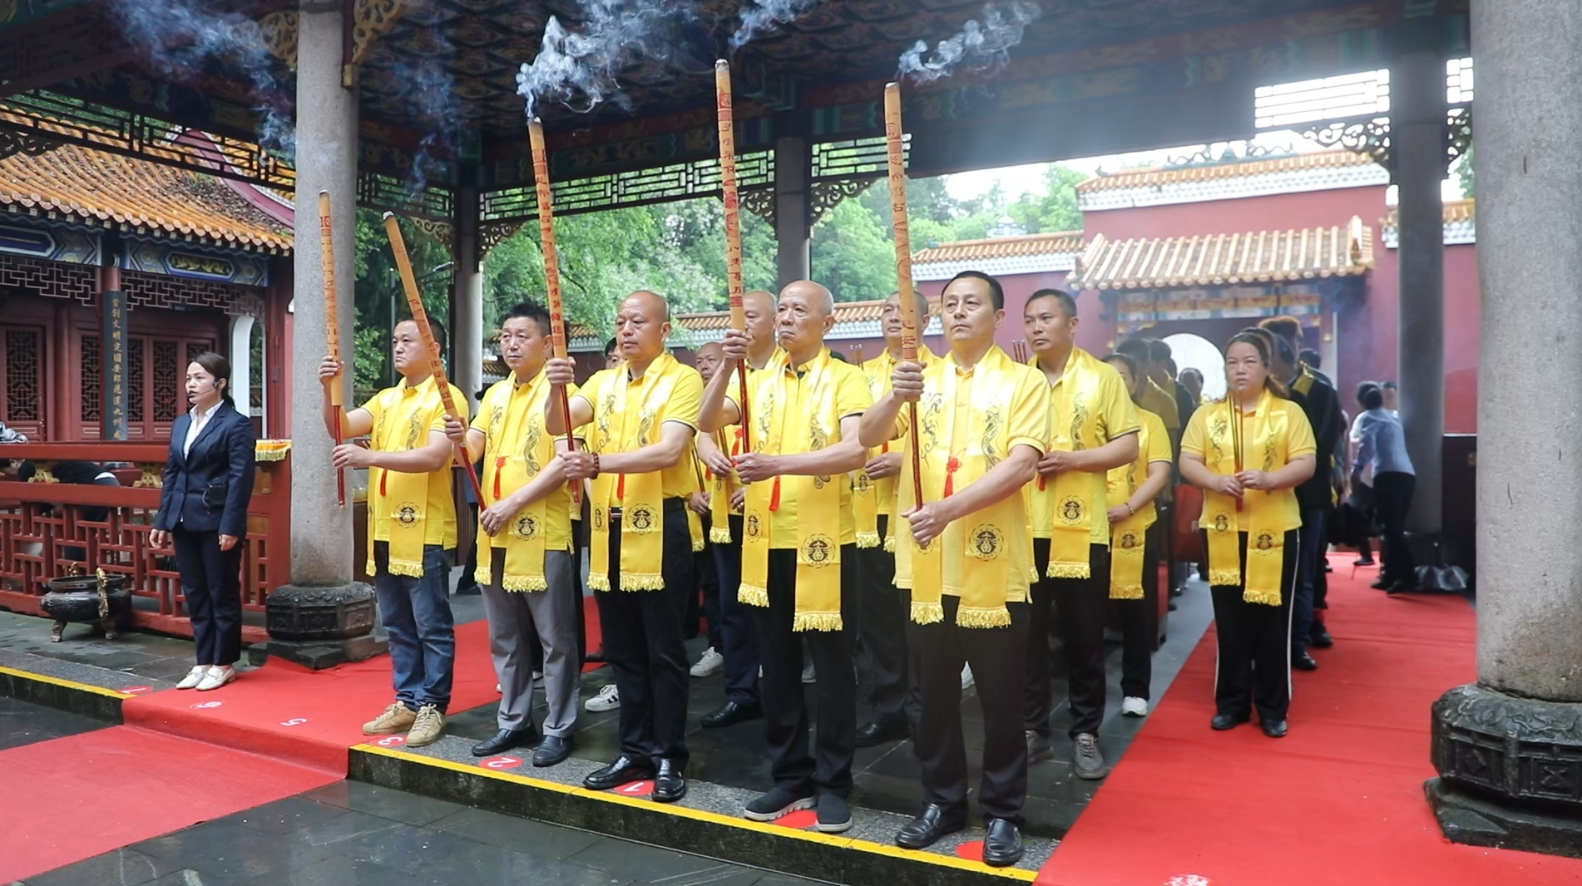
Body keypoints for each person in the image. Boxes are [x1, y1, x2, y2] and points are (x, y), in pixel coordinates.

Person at [860, 269, 1049, 867]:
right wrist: (895, 394)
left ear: (998, 316)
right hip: (926, 565)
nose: (959, 311)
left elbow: (1022, 465)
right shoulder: (918, 377)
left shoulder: (1025, 382)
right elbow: (868, 438)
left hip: (995, 562)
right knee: (932, 695)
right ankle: (940, 800)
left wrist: (947, 508)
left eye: (973, 303)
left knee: (1001, 698)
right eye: (950, 303)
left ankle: (1002, 812)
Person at [700, 280, 870, 832]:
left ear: (828, 321)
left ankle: (834, 782)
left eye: (801, 309)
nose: (790, 317)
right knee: (777, 665)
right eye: (785, 309)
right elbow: (705, 424)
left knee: (833, 667)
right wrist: (726, 366)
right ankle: (790, 774)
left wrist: (777, 466)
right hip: (766, 538)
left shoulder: (847, 378)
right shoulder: (755, 379)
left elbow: (854, 450)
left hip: (826, 541)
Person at [548, 290, 701, 803]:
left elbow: (671, 449)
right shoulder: (602, 381)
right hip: (608, 524)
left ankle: (669, 756)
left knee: (664, 650)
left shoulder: (683, 378)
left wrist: (598, 464)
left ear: (664, 329)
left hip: (663, 523)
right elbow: (557, 424)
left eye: (639, 321)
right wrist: (556, 388)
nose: (628, 329)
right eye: (621, 321)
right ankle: (633, 748)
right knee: (623, 650)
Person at [446, 302, 580, 766]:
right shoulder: (497, 394)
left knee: (554, 638)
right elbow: (474, 448)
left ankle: (560, 727)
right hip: (495, 529)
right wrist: (455, 435)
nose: (511, 344)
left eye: (522, 336)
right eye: (505, 336)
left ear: (546, 343)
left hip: (541, 529)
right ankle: (513, 720)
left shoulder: (563, 394)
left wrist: (512, 503)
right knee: (504, 635)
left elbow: (565, 463)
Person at [320, 317, 463, 748]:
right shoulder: (386, 398)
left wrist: (372, 458)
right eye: (395, 340)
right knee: (398, 623)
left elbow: (436, 456)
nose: (397, 347)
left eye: (407, 340)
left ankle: (433, 704)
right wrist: (329, 388)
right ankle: (408, 698)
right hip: (385, 527)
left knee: (431, 623)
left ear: (433, 347)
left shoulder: (446, 396)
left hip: (426, 529)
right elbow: (341, 427)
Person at [1023, 289, 1140, 780]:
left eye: (1046, 318)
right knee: (1026, 635)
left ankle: (1086, 731)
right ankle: (1031, 728)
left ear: (1072, 324)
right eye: (1029, 320)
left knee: (1084, 635)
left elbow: (1129, 444)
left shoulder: (1102, 377)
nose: (1036, 327)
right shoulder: (1016, 380)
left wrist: (1074, 460)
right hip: (1024, 524)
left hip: (1081, 527)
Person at [1179, 328, 1316, 739]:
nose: (1240, 369)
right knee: (1230, 620)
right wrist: (1215, 482)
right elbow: (1188, 460)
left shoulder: (1288, 413)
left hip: (1275, 529)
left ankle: (1273, 706)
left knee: (1273, 620)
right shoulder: (1207, 415)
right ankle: (1232, 702)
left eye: (1249, 362)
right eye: (1233, 362)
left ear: (1266, 367)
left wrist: (1269, 477)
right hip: (1223, 529)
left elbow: (1306, 463)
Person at [851, 289, 933, 749]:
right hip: (866, 511)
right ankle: (889, 707)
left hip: (915, 514)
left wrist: (903, 457)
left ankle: (923, 707)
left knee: (917, 618)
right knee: (878, 619)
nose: (893, 320)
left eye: (903, 314)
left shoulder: (938, 373)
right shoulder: (859, 376)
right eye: (885, 311)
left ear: (923, 321)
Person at [694, 291, 778, 728]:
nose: (742, 325)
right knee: (732, 604)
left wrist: (760, 485)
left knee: (774, 607)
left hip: (776, 507)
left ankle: (777, 683)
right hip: (729, 507)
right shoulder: (731, 374)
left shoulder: (788, 372)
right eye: (737, 318)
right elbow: (706, 425)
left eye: (753, 317)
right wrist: (709, 452)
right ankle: (741, 690)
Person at [151, 352, 256, 692]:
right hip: (183, 519)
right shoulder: (182, 423)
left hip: (216, 520)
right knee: (195, 592)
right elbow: (172, 473)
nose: (190, 385)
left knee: (220, 591)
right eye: (188, 378)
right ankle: (203, 660)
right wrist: (162, 520)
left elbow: (241, 480)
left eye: (198, 378)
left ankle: (223, 662)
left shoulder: (235, 423)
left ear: (220, 383)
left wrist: (231, 525)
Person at [1258, 317, 1342, 665]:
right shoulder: (1256, 393)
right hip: (1263, 497)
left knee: (1305, 571)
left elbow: (1321, 445)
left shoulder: (1318, 389)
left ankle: (1299, 638)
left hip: (1307, 495)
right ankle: (1266, 639)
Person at [1100, 353, 1172, 718]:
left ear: (1134, 383)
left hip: (1135, 526)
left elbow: (1159, 473)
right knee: (1087, 613)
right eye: (1108, 376)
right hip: (1087, 529)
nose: (1116, 382)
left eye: (1123, 376)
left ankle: (1135, 688)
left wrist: (1127, 508)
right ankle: (1090, 687)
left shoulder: (1150, 423)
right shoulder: (1086, 424)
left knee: (1136, 613)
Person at [1353, 382, 1416, 592]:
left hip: (1388, 476)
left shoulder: (1369, 418)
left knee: (1391, 529)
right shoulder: (1393, 417)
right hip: (1407, 475)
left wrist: (1356, 470)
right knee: (1395, 528)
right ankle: (1390, 575)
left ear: (1362, 403)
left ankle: (1407, 575)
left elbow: (1367, 446)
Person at [1115, 338, 1179, 451]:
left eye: (1130, 364)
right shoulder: (1108, 397)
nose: (1123, 370)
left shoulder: (1165, 402)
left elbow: (1170, 449)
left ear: (1146, 365)